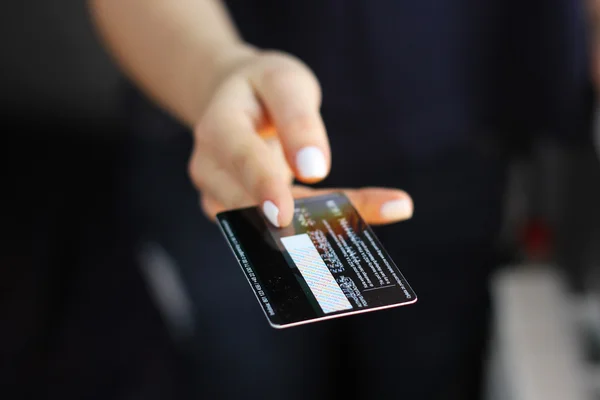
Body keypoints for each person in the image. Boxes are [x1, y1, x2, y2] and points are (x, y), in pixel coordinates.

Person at [89, 1, 591, 399]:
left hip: (454, 144)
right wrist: (219, 74)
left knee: (427, 367)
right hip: (225, 147)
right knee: (249, 377)